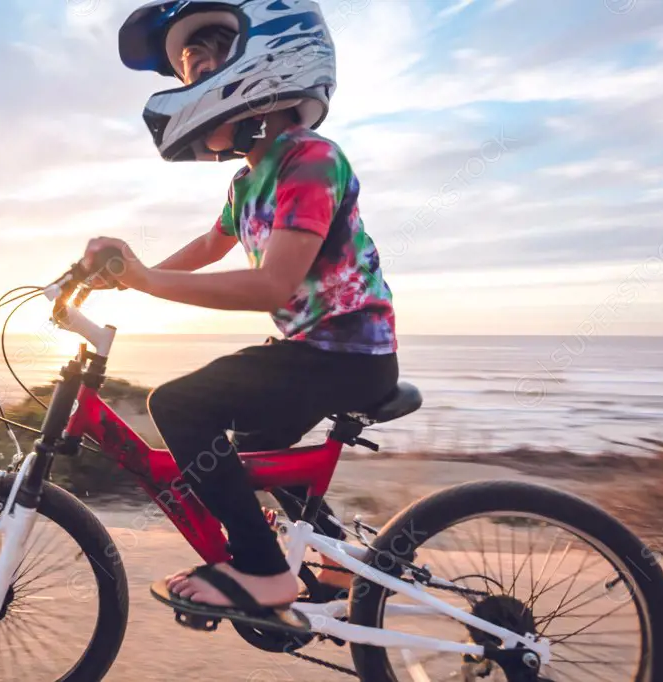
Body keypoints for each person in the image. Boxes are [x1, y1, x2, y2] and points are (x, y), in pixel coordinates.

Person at [83, 0, 399, 631]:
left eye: (201, 61)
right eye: (183, 71)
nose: (189, 81)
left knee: (178, 404)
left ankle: (261, 569)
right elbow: (208, 247)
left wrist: (147, 279)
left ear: (266, 62)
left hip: (348, 358)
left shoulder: (311, 159)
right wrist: (128, 278)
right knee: (255, 450)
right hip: (316, 354)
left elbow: (272, 285)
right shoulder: (246, 182)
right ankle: (338, 564)